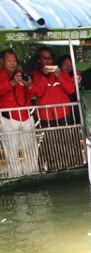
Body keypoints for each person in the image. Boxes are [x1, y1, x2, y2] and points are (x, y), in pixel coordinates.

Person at [32, 46, 81, 171]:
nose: (47, 62)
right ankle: (50, 168)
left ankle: (70, 166)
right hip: (45, 115)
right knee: (48, 144)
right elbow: (37, 92)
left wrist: (60, 76)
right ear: (39, 60)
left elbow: (70, 89)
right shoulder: (35, 75)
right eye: (44, 58)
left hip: (63, 113)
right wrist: (45, 76)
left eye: (49, 58)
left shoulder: (61, 73)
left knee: (67, 142)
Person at [0, 49, 41, 177]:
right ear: (2, 62)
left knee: (31, 149)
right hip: (8, 118)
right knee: (11, 150)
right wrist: (12, 83)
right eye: (9, 61)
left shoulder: (22, 74)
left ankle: (32, 174)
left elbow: (36, 93)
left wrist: (28, 84)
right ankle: (15, 176)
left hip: (26, 116)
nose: (12, 63)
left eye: (14, 61)